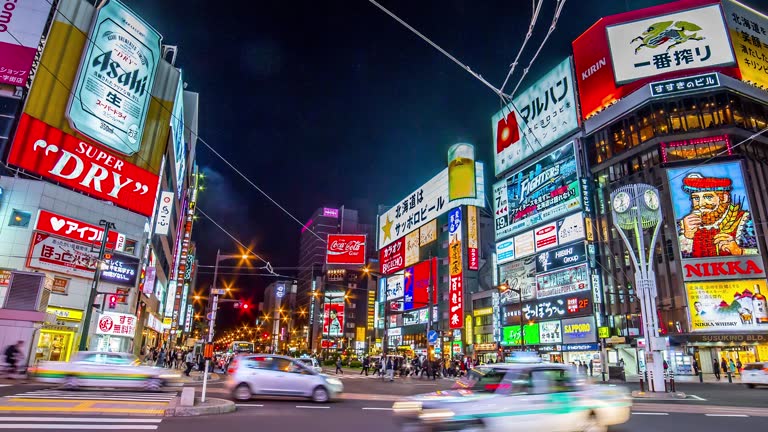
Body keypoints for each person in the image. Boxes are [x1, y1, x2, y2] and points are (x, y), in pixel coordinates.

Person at [677, 173, 757, 258]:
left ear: (724, 198)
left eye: (708, 197)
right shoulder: (683, 226)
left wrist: (739, 251)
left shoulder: (746, 220)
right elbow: (676, 260)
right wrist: (688, 237)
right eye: (696, 198)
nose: (701, 204)